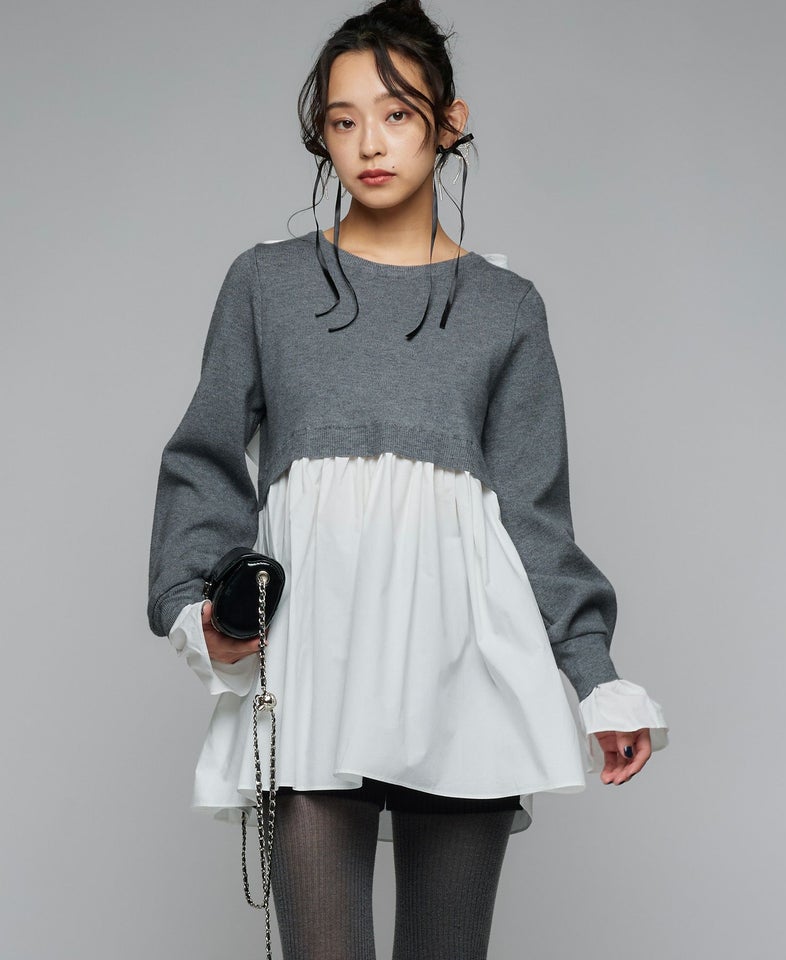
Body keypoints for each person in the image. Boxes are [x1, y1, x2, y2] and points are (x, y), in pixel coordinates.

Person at [147, 2, 669, 958]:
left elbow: (534, 514)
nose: (369, 143)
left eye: (396, 114)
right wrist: (204, 609)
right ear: (322, 135)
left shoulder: (507, 308)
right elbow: (204, 459)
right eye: (343, 120)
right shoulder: (265, 283)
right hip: (314, 667)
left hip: (467, 667)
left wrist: (595, 676)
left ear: (450, 122)